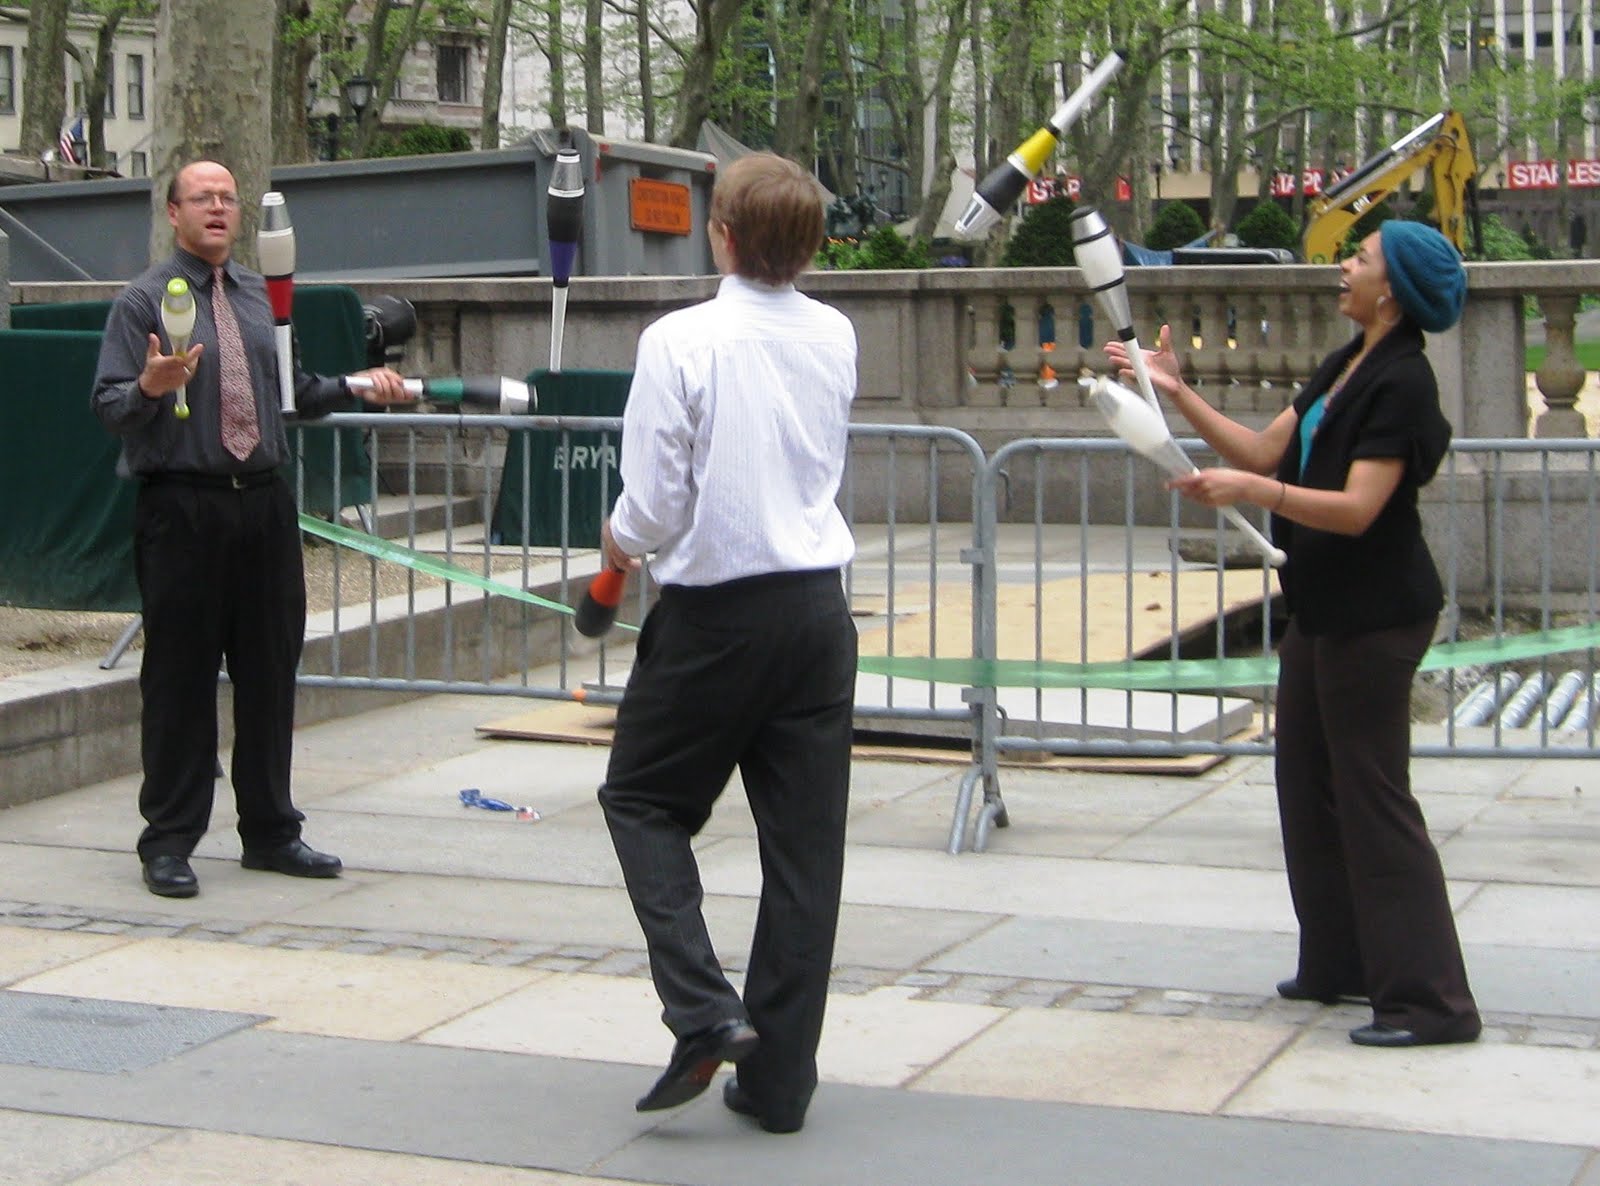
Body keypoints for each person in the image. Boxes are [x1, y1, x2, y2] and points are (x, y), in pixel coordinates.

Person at [1105, 220, 1481, 1048]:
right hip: (1322, 606)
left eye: (1362, 257)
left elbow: (1357, 510)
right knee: (1307, 784)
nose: (1344, 265)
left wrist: (1253, 493)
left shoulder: (1403, 382)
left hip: (1377, 614)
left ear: (1392, 290)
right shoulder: (1348, 363)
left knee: (1374, 799)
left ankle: (1430, 1003)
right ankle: (1341, 963)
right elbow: (1264, 451)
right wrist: (1175, 390)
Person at [596, 152, 858, 1133]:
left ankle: (704, 1009)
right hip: (816, 612)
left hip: (716, 614)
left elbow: (658, 499)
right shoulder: (835, 333)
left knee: (640, 798)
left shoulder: (681, 340)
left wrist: (618, 539)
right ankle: (781, 1082)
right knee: (805, 854)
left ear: (724, 235)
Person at [91, 160, 411, 900]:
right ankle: (169, 840)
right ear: (173, 213)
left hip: (263, 505)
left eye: (227, 198)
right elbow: (108, 405)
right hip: (182, 506)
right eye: (201, 198)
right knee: (179, 679)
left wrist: (360, 385)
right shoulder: (141, 302)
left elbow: (294, 391)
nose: (217, 208)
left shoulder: (263, 297)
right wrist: (149, 386)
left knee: (270, 672)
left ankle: (271, 832)